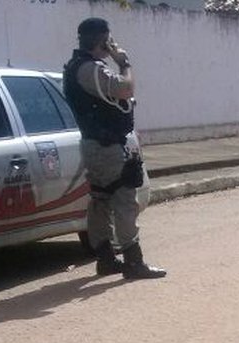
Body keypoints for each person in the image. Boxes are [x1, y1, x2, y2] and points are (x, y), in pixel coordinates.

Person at [63, 17, 165, 280]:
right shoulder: (89, 69)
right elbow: (125, 88)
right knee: (123, 199)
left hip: (96, 144)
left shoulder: (79, 66)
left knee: (101, 200)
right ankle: (134, 262)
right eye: (109, 40)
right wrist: (124, 62)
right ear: (103, 40)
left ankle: (106, 259)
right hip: (106, 146)